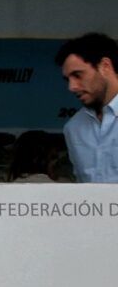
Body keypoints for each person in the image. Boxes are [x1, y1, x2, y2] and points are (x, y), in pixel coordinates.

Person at [56, 32, 118, 181]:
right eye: (67, 79)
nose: (72, 87)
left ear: (105, 66)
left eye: (78, 75)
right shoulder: (73, 128)